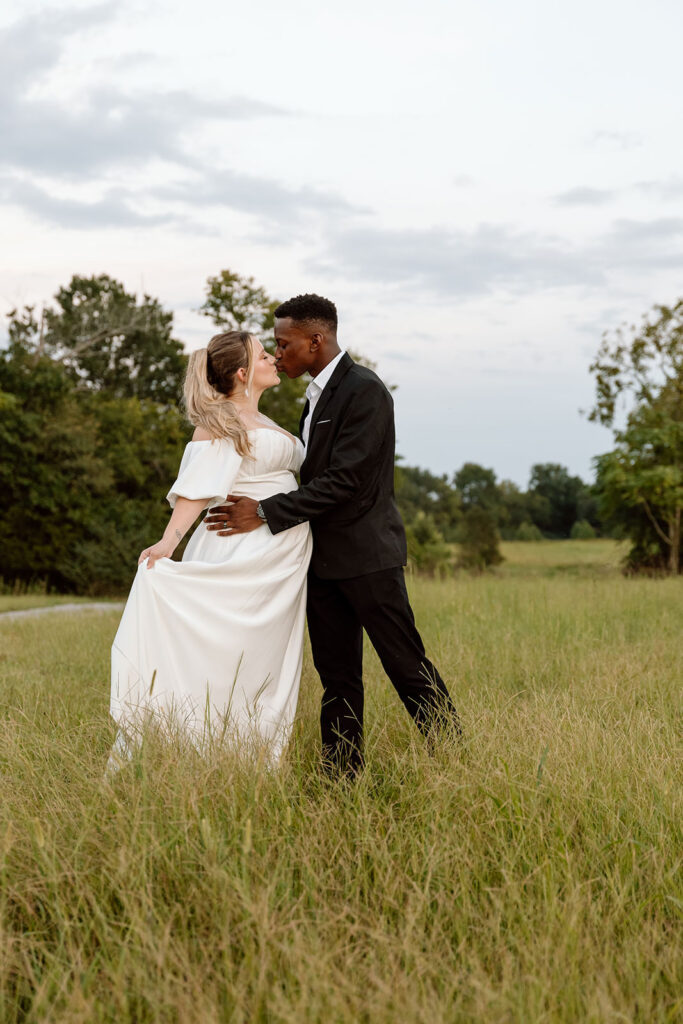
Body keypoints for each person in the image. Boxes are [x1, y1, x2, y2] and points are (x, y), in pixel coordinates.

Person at [205, 294, 461, 775]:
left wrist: (263, 511)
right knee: (338, 678)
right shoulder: (314, 396)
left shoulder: (365, 391)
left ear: (315, 341)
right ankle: (341, 775)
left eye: (284, 345)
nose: (278, 355)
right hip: (320, 564)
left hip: (368, 561)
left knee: (406, 664)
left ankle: (455, 757)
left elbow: (345, 482)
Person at [109, 330, 312, 767]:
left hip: (280, 563)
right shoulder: (220, 421)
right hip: (239, 555)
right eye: (263, 355)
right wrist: (168, 542)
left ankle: (252, 757)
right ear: (242, 373)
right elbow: (197, 491)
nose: (273, 360)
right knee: (225, 657)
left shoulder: (271, 423)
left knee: (265, 662)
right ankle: (201, 752)